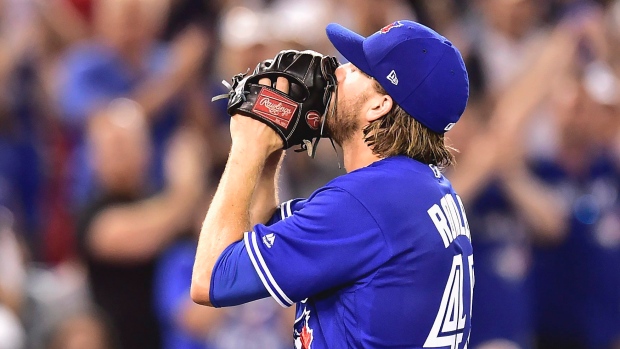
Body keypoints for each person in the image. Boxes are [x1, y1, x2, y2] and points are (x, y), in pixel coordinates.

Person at [192, 19, 473, 348]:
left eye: (356, 69)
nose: (338, 72)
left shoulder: (367, 203)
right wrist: (270, 149)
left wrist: (246, 144)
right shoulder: (417, 189)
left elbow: (210, 278)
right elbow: (254, 236)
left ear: (379, 105)